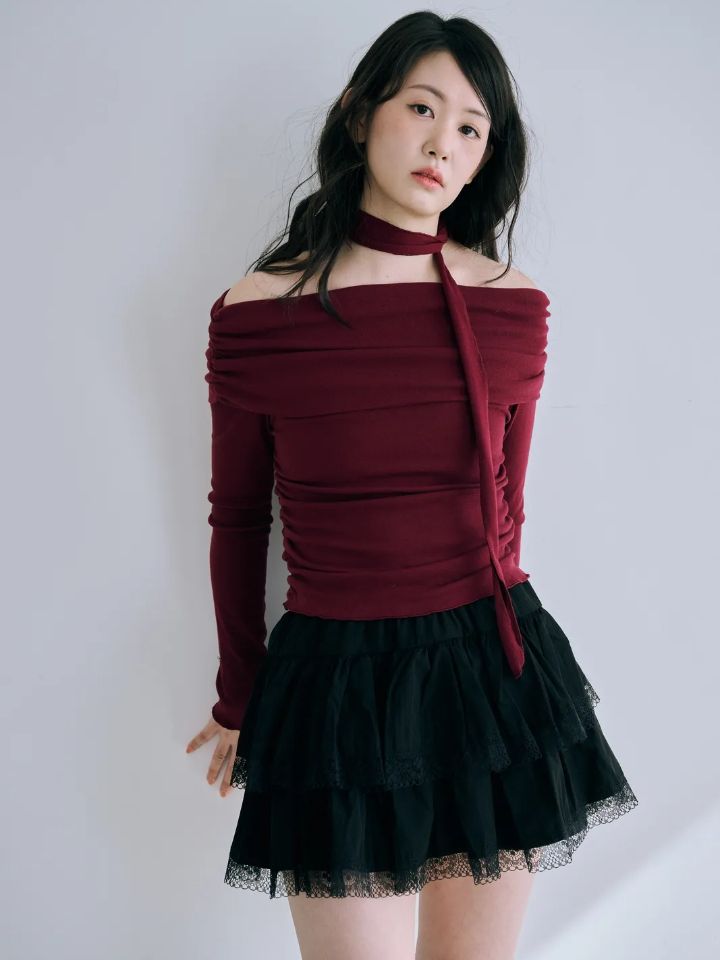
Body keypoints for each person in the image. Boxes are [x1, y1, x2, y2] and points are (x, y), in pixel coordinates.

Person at [186, 11, 639, 960]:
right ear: (361, 116)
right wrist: (240, 694)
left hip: (488, 674)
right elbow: (239, 521)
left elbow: (506, 514)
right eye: (422, 109)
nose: (443, 144)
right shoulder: (257, 312)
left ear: (484, 158)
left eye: (471, 127)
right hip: (332, 684)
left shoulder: (511, 305)